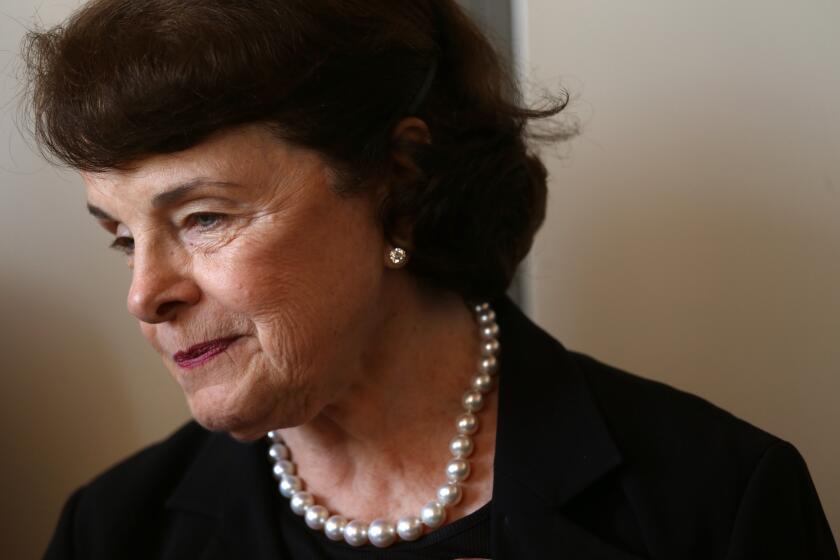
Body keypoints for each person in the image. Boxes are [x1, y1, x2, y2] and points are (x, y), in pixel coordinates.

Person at [24, 1, 837, 558]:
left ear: (400, 180)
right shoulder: (112, 532)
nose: (145, 295)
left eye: (203, 218)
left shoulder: (713, 499)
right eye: (123, 240)